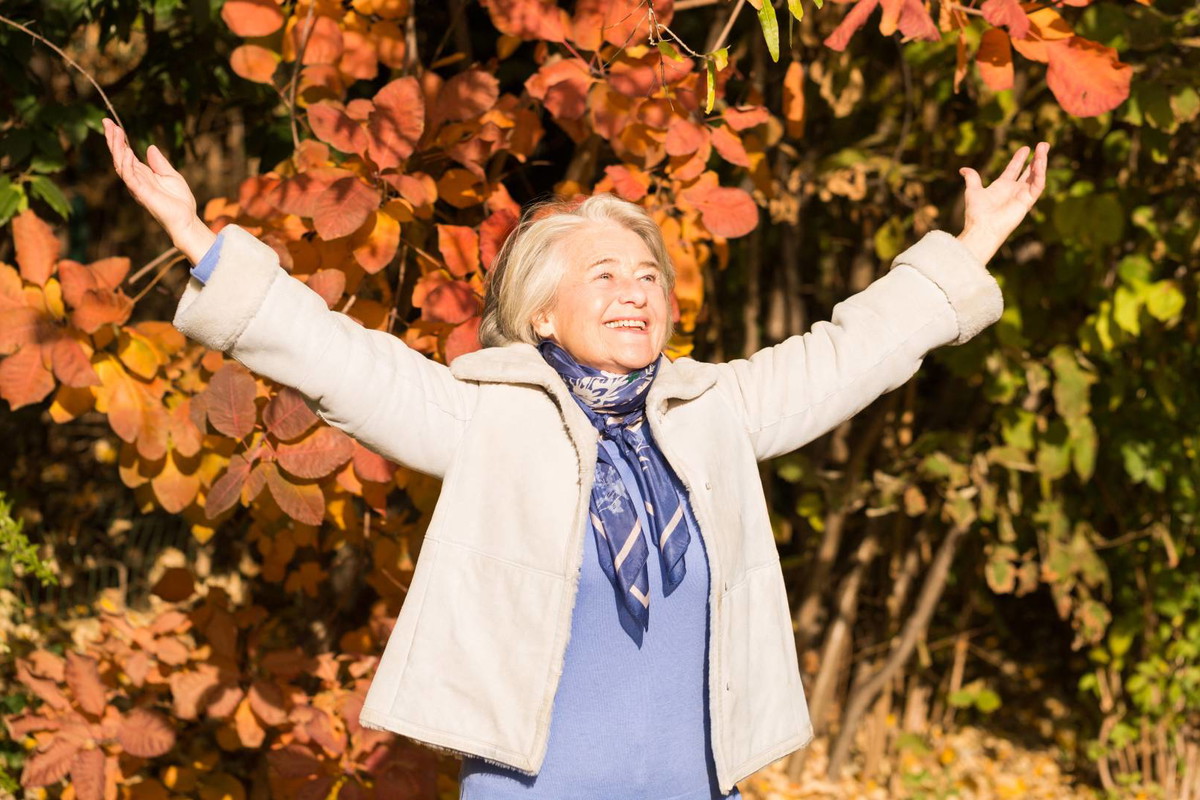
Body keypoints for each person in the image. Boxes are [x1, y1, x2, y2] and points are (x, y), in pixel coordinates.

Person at [103, 117, 1048, 798]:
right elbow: (344, 363)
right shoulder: (490, 416)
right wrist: (202, 243)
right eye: (605, 276)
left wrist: (970, 249)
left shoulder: (712, 410)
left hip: (693, 784)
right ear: (542, 314)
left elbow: (847, 353)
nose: (636, 292)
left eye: (648, 278)